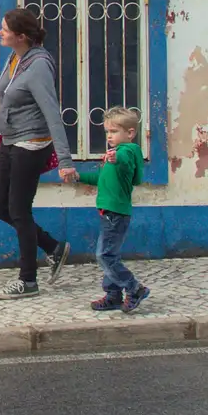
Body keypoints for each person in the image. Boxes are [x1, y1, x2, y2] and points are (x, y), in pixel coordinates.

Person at [0, 7, 73, 300]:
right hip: (10, 143)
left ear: (21, 36)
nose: (1, 32)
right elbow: (5, 106)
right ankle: (53, 247)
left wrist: (65, 160)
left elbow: (52, 113)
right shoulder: (15, 59)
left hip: (31, 144)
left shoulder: (37, 66)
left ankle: (28, 281)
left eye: (5, 29)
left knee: (19, 211)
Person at [60, 106, 150, 313]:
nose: (110, 136)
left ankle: (134, 288)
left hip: (116, 213)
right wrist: (78, 176)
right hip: (110, 212)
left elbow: (127, 162)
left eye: (114, 131)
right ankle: (113, 295)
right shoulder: (116, 153)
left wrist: (115, 159)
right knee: (111, 255)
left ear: (130, 133)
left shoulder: (126, 151)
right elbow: (102, 179)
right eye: (108, 132)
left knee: (104, 255)